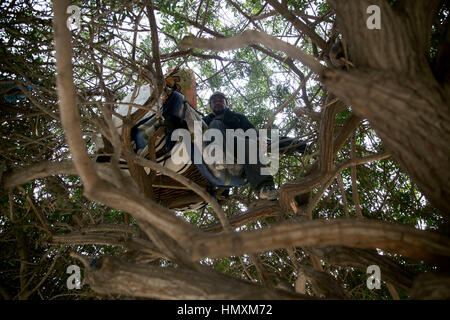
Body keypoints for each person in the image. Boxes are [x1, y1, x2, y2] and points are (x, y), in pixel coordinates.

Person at [202, 91, 279, 200]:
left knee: (251, 145)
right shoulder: (207, 120)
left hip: (237, 146)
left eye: (221, 100)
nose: (218, 102)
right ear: (211, 106)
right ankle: (221, 169)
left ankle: (265, 188)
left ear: (226, 104)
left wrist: (257, 138)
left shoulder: (237, 117)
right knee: (215, 124)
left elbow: (250, 130)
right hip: (215, 148)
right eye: (214, 101)